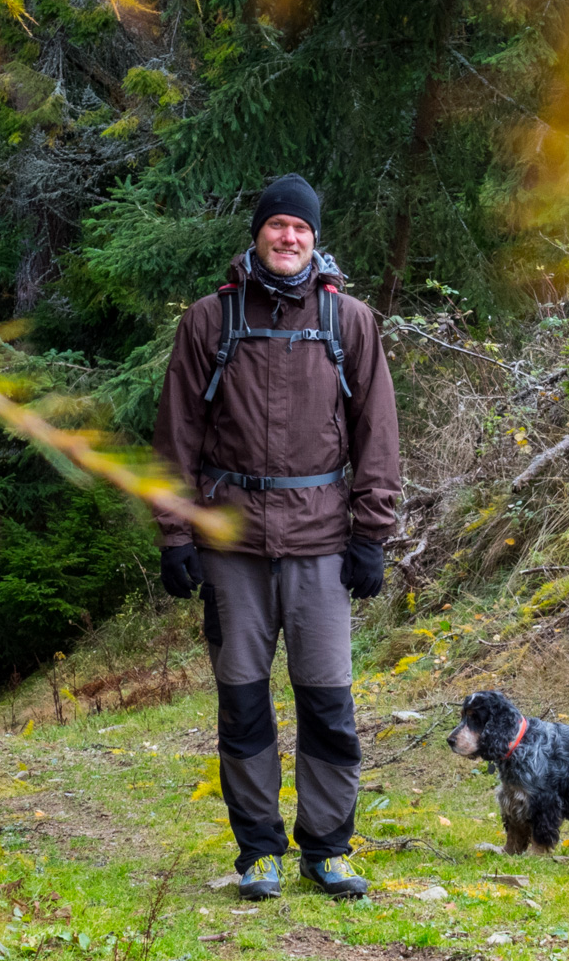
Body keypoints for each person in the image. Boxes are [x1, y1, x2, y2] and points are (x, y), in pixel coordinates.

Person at [151, 173, 401, 901]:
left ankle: (327, 848)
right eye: (276, 225)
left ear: (315, 239)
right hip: (231, 547)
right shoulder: (209, 321)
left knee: (327, 700)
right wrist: (175, 535)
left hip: (323, 542)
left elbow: (377, 435)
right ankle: (259, 851)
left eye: (301, 227)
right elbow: (176, 439)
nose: (288, 237)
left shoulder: (348, 321)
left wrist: (371, 533)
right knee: (244, 701)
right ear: (257, 233)